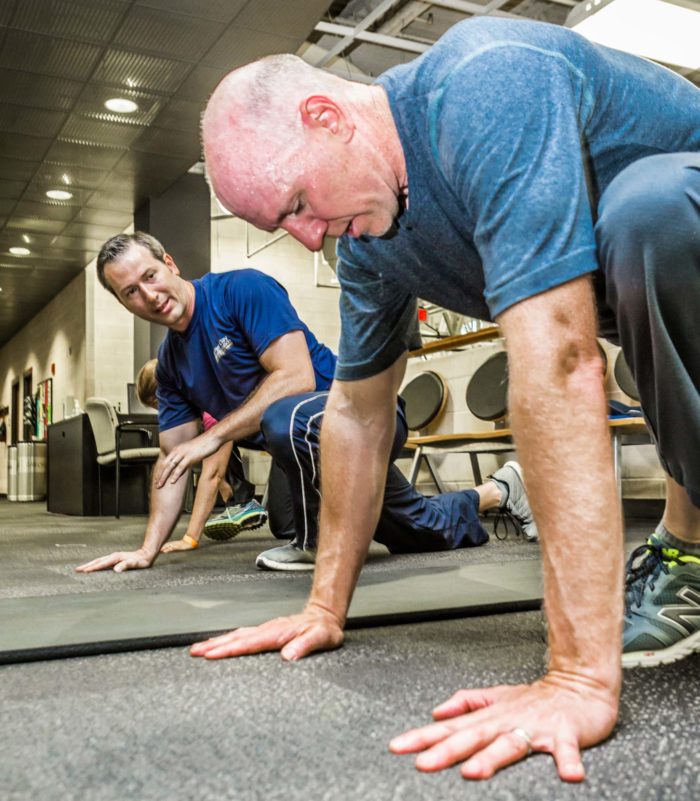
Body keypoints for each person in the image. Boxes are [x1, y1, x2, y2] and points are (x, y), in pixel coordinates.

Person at [196, 16, 700, 783]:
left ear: (327, 119)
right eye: (282, 224)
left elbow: (564, 359)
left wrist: (576, 677)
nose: (305, 239)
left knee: (648, 210)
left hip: (679, 215)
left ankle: (686, 542)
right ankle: (688, 551)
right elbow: (358, 414)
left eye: (297, 201)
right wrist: (323, 607)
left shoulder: (483, 82)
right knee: (639, 226)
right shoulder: (368, 242)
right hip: (658, 274)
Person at [76, 231, 537, 577]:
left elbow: (295, 377)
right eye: (130, 292)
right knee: (409, 529)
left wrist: (213, 436)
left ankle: (314, 542)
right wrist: (147, 549)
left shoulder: (240, 290)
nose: (149, 295)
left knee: (284, 415)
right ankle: (502, 489)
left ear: (170, 264)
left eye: (150, 276)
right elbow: (173, 460)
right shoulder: (170, 365)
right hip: (303, 444)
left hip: (362, 413)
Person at [135, 359, 267, 553]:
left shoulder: (211, 404)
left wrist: (190, 538)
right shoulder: (201, 400)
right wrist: (222, 482)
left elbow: (211, 475)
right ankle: (244, 502)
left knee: (292, 527)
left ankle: (246, 503)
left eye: (159, 406)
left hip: (292, 437)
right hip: (259, 431)